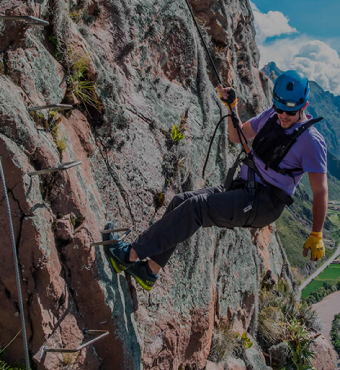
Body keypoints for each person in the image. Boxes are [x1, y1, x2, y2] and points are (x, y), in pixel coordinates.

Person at [104, 70, 328, 291]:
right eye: (280, 108)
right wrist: (231, 107)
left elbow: (320, 192)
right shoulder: (271, 115)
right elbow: (236, 136)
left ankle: (129, 255)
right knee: (181, 201)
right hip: (245, 187)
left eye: (292, 111)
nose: (284, 116)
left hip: (265, 203)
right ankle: (149, 272)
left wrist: (316, 233)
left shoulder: (311, 141)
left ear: (304, 107)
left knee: (196, 208)